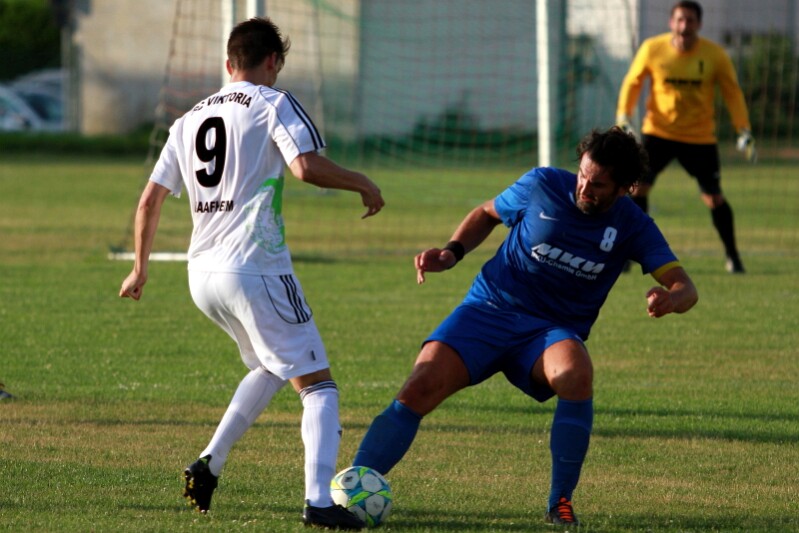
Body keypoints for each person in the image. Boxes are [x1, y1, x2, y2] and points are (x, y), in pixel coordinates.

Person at [350, 127, 698, 526]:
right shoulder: (542, 184)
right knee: (421, 384)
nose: (584, 188)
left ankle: (560, 503)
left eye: (598, 184)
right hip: (489, 308)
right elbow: (486, 213)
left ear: (624, 188)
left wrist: (671, 299)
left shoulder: (633, 224)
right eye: (582, 175)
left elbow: (686, 287)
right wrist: (450, 253)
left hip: (549, 331)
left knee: (576, 373)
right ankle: (353, 489)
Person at [119, 17, 384, 530]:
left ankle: (209, 463)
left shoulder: (189, 119)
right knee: (319, 387)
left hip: (202, 275)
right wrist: (362, 183)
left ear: (228, 63)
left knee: (270, 365)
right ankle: (318, 503)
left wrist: (139, 269)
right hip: (255, 269)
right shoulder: (272, 102)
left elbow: (150, 199)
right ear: (272, 62)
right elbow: (305, 167)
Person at [616, 0, 755, 274]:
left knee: (713, 198)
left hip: (699, 137)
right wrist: (623, 115)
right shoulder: (652, 49)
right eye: (679, 20)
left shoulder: (715, 55)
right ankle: (629, 254)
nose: (684, 26)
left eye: (690, 20)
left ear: (699, 25)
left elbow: (732, 92)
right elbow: (632, 82)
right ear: (671, 23)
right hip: (658, 132)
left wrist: (743, 128)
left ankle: (733, 257)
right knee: (636, 189)